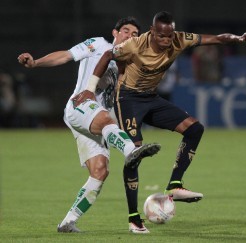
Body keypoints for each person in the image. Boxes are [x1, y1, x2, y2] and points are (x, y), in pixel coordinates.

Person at [72, 11, 246, 233]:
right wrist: (90, 90)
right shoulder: (136, 44)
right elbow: (106, 57)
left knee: (195, 129)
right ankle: (134, 219)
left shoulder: (179, 39)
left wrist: (238, 38)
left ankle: (175, 185)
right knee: (134, 154)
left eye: (169, 37)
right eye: (162, 37)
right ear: (152, 33)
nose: (167, 41)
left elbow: (215, 38)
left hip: (150, 98)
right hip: (128, 99)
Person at [17, 16, 161, 233]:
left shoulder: (132, 61)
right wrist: (36, 62)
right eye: (125, 31)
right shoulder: (97, 45)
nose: (129, 36)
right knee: (106, 120)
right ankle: (132, 150)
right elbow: (65, 55)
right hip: (81, 105)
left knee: (100, 171)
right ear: (115, 33)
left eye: (134, 34)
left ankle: (67, 222)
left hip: (97, 120)